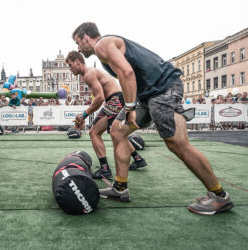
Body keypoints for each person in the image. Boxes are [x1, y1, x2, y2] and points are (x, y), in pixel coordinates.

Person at [72, 22, 233, 215]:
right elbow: (128, 74)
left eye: (78, 42)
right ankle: (120, 188)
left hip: (163, 88)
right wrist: (133, 103)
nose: (78, 48)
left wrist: (130, 106)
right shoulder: (105, 49)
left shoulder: (102, 45)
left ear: (86, 38)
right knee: (117, 130)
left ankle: (219, 196)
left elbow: (127, 72)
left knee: (177, 143)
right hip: (146, 95)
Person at [66, 51, 147, 179]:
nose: (70, 69)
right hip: (116, 99)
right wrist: (86, 114)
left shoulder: (88, 74)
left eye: (70, 65)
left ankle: (105, 169)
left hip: (114, 99)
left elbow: (99, 97)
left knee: (94, 132)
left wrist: (84, 115)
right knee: (118, 135)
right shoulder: (90, 72)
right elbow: (101, 98)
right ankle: (138, 159)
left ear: (77, 62)